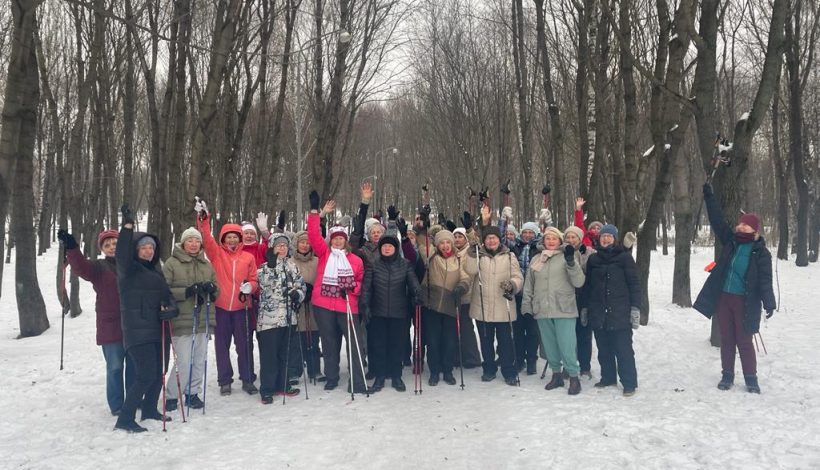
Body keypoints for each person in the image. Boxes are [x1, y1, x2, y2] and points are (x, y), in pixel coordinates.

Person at [694, 183, 776, 393]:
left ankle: (751, 378)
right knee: (727, 339)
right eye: (740, 225)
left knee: (744, 340)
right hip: (723, 298)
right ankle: (727, 375)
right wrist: (709, 196)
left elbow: (765, 280)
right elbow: (717, 221)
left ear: (754, 230)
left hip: (744, 301)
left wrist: (769, 303)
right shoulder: (731, 241)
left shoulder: (761, 253)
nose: (740, 227)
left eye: (745, 226)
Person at [114, 204, 177, 433]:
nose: (149, 251)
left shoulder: (156, 271)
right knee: (144, 375)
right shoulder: (127, 270)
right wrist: (128, 226)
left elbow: (168, 297)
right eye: (144, 247)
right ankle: (125, 418)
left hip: (158, 329)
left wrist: (171, 309)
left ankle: (149, 408)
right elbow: (121, 252)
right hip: (137, 330)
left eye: (151, 247)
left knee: (159, 372)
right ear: (136, 250)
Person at [58, 228, 135, 416]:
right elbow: (81, 267)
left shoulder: (133, 265)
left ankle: (134, 399)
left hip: (134, 325)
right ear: (102, 249)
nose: (111, 247)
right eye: (107, 245)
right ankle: (117, 405)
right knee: (115, 367)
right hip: (111, 326)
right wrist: (72, 248)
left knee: (134, 367)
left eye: (115, 243)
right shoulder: (99, 268)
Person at [306, 192, 371, 394]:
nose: (337, 242)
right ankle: (332, 376)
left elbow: (361, 282)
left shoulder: (355, 260)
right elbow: (313, 236)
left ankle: (358, 381)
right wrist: (317, 212)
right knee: (329, 343)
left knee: (354, 344)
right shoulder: (324, 254)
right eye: (334, 239)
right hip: (324, 305)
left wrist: (353, 289)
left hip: (347, 305)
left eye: (340, 239)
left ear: (345, 241)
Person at [196, 200, 259, 396]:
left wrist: (251, 287)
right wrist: (203, 220)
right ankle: (225, 380)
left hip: (242, 309)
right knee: (221, 346)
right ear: (223, 239)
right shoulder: (216, 254)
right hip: (221, 308)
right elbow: (206, 239)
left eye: (235, 237)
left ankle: (248, 379)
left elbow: (254, 279)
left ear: (240, 239)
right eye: (228, 237)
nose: (232, 240)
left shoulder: (248, 257)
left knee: (244, 345)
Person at [522, 227, 586, 395]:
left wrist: (572, 263)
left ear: (560, 241)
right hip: (542, 308)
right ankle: (556, 375)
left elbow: (579, 282)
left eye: (554, 239)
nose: (550, 241)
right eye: (547, 238)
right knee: (549, 345)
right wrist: (527, 305)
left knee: (567, 345)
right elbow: (529, 285)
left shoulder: (567, 257)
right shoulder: (537, 258)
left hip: (563, 308)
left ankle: (573, 377)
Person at [161, 227, 218, 411]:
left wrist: (211, 289)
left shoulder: (206, 264)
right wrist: (186, 291)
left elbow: (217, 288)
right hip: (181, 321)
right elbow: (163, 290)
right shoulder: (171, 263)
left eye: (196, 241)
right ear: (183, 243)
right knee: (183, 362)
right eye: (189, 241)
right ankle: (171, 395)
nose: (193, 244)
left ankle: (192, 393)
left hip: (202, 319)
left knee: (199, 360)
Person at [465, 211, 524, 386]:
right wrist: (471, 251)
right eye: (488, 238)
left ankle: (508, 371)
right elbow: (469, 270)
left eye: (494, 238)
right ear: (484, 240)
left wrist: (512, 285)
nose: (491, 241)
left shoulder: (509, 255)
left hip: (502, 306)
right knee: (486, 341)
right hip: (482, 306)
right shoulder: (478, 255)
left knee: (506, 342)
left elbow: (518, 277)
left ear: (500, 239)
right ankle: (489, 369)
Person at [582, 224, 641, 397]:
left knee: (623, 350)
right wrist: (585, 307)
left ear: (615, 239)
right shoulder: (593, 260)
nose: (606, 239)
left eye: (609, 236)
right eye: (603, 236)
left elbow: (634, 285)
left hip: (620, 312)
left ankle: (629, 382)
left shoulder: (624, 258)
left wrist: (635, 308)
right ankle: (608, 377)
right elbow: (588, 286)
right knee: (604, 348)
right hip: (599, 311)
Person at [363, 234, 420, 391]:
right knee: (379, 346)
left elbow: (413, 281)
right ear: (380, 249)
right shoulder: (373, 264)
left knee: (397, 346)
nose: (387, 248)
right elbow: (367, 288)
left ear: (396, 248)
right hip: (378, 312)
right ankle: (380, 377)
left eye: (390, 246)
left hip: (399, 312)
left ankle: (396, 376)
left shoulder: (405, 264)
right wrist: (365, 306)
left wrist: (417, 292)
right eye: (384, 246)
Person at [256, 233, 306, 404]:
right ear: (272, 247)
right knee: (269, 356)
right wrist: (271, 267)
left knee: (285, 354)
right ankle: (267, 389)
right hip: (269, 320)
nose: (282, 248)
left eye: (284, 245)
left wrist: (297, 295)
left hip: (289, 318)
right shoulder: (264, 267)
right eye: (278, 245)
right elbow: (263, 286)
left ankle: (282, 384)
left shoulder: (293, 266)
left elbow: (301, 286)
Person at [418, 229, 470, 386]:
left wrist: (461, 287)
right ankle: (434, 371)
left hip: (451, 305)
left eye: (448, 242)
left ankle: (447, 370)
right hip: (431, 305)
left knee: (450, 341)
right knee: (433, 341)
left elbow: (465, 278)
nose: (445, 245)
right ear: (437, 244)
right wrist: (422, 229)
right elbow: (422, 243)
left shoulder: (458, 259)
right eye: (442, 242)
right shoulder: (431, 256)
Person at [498, 212, 543, 375]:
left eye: (531, 232)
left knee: (532, 331)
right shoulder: (514, 245)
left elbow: (553, 239)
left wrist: (547, 221)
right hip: (516, 294)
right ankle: (519, 359)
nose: (528, 235)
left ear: (536, 234)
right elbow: (500, 238)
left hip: (533, 294)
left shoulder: (540, 247)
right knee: (517, 330)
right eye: (525, 232)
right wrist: (504, 220)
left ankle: (532, 360)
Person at [563, 225, 595, 379]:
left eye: (573, 237)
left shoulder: (589, 253)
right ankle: (569, 365)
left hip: (584, 298)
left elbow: (591, 276)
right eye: (567, 237)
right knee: (567, 335)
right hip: (566, 298)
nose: (570, 240)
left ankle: (585, 366)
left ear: (580, 238)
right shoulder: (560, 252)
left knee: (584, 334)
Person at [291, 230, 322, 383]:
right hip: (297, 305)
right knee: (297, 340)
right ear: (296, 244)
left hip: (312, 303)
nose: (305, 245)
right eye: (302, 242)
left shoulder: (317, 261)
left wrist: (313, 289)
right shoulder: (290, 262)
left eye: (308, 242)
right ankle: (295, 370)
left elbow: (322, 278)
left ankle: (314, 369)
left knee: (313, 339)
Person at [452, 220, 482, 369]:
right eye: (455, 237)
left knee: (465, 327)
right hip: (453, 295)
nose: (457, 239)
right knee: (455, 328)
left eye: (460, 237)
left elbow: (475, 244)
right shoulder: (452, 251)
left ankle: (472, 357)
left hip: (466, 294)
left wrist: (470, 231)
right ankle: (458, 355)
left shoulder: (468, 251)